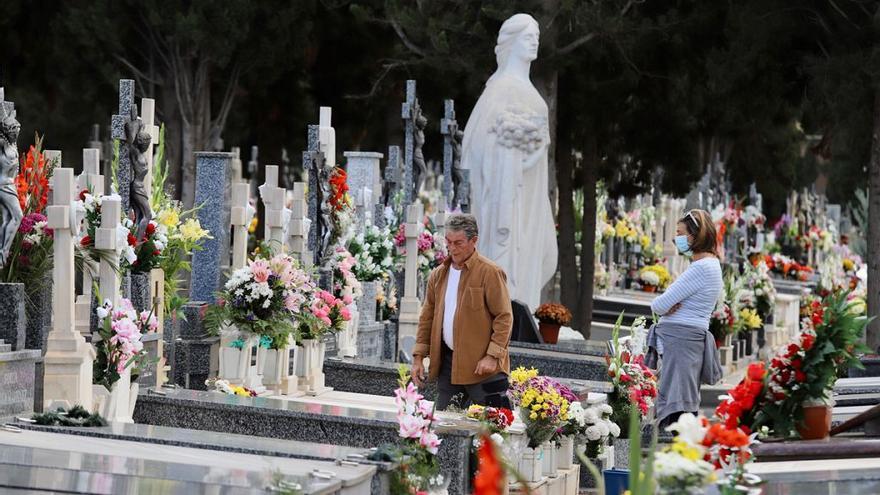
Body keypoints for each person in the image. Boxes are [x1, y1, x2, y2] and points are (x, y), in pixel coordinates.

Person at [461, 13, 557, 310]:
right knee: (508, 259)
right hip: (506, 196)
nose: (534, 43)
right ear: (511, 43)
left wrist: (530, 149)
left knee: (530, 256)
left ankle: (517, 310)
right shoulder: (501, 89)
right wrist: (512, 157)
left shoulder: (525, 90)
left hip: (529, 195)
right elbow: (477, 145)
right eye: (528, 37)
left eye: (536, 38)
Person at [411, 214, 513, 410]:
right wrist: (418, 357)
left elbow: (504, 317)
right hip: (448, 366)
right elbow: (427, 318)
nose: (452, 249)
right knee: (442, 430)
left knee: (493, 431)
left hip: (484, 368)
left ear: (474, 240)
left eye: (459, 243)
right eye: (449, 242)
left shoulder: (490, 273)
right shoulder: (438, 275)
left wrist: (492, 356)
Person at [647, 208, 723, 429]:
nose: (677, 238)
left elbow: (659, 305)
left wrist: (668, 307)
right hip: (686, 340)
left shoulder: (701, 268)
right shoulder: (710, 265)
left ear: (695, 235)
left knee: (677, 407)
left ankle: (676, 454)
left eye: (681, 233)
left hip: (680, 341)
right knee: (682, 403)